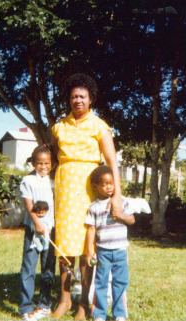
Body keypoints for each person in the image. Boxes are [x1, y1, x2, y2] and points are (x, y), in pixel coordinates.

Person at [51, 73, 122, 320]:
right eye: (73, 97)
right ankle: (64, 299)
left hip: (89, 191)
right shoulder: (59, 126)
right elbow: (51, 156)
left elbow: (112, 162)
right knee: (64, 246)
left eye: (82, 96)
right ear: (68, 100)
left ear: (90, 99)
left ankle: (83, 303)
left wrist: (117, 197)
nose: (77, 100)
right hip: (64, 190)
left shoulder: (100, 126)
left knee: (86, 246)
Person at [85, 165, 136, 321]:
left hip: (120, 250)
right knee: (100, 283)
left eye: (111, 184)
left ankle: (119, 314)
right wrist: (89, 251)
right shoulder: (93, 207)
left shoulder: (122, 201)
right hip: (103, 252)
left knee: (120, 283)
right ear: (95, 186)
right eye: (104, 184)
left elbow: (132, 220)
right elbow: (91, 230)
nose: (109, 187)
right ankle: (99, 314)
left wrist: (120, 215)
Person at [18, 145, 56, 321]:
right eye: (39, 163)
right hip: (34, 230)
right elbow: (28, 204)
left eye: (47, 163)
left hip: (51, 230)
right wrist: (37, 222)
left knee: (48, 268)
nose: (43, 166)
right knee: (29, 267)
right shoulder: (28, 180)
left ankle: (44, 304)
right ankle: (26, 306)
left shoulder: (54, 180)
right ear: (33, 163)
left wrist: (48, 226)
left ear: (52, 164)